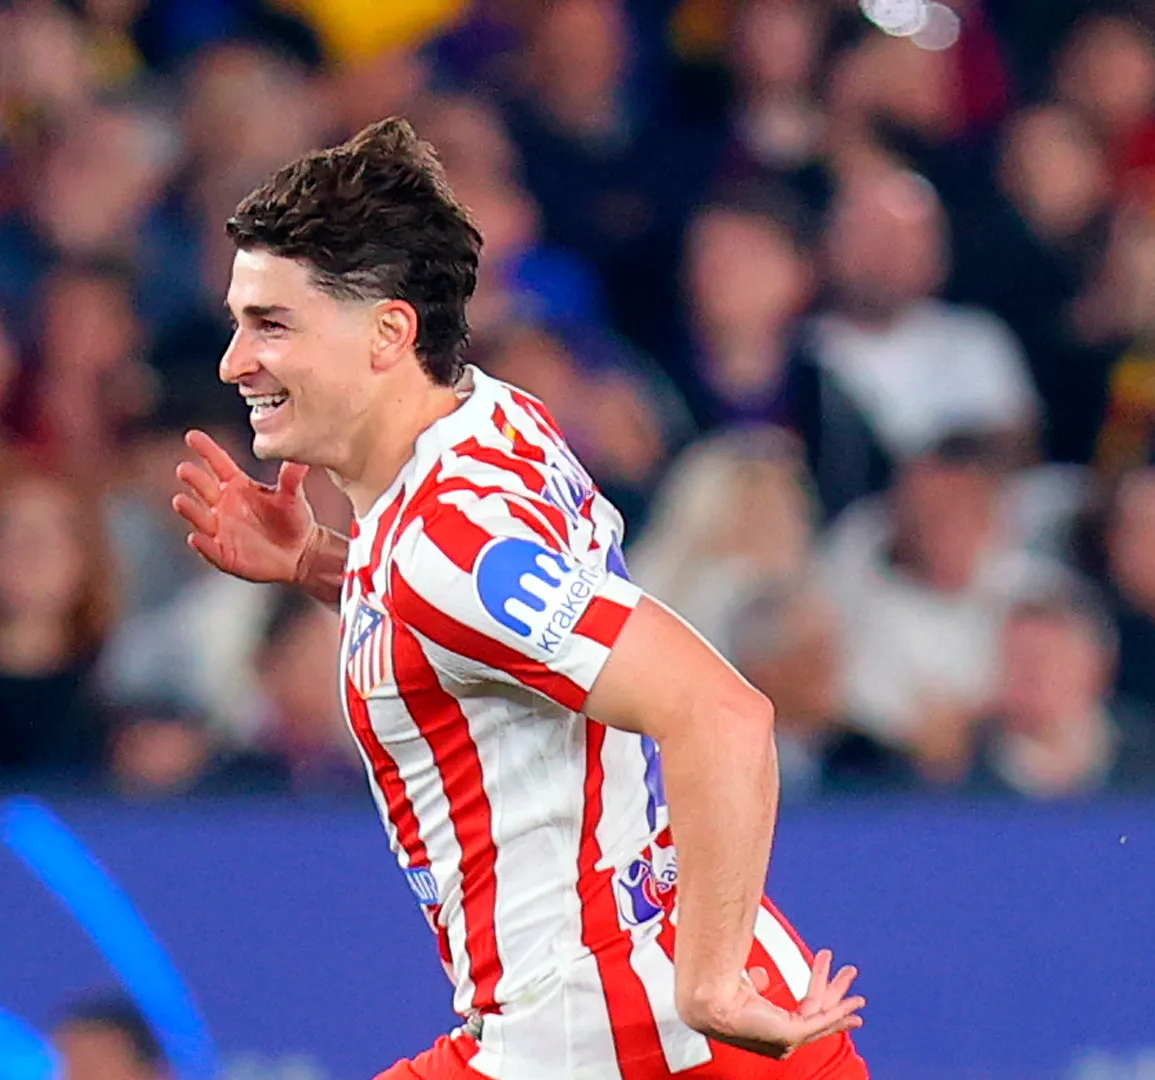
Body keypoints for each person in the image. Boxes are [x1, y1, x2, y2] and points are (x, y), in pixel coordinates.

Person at [170, 119, 866, 1080]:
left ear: (388, 333)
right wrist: (329, 564)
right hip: (636, 1019)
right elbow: (489, 642)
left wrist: (709, 985)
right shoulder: (491, 419)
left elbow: (722, 712)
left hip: (626, 1041)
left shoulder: (450, 543)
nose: (234, 361)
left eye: (272, 324)